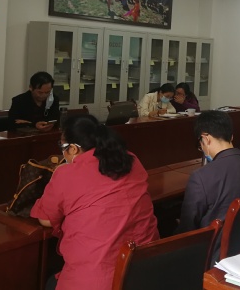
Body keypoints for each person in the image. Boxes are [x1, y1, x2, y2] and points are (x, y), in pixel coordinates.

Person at [31, 115, 158, 290]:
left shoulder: (67, 173)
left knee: (49, 282)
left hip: (98, 278)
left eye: (62, 147)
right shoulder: (131, 159)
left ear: (73, 149)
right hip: (145, 269)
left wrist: (57, 176)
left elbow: (46, 219)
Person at [177, 111, 240, 259]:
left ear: (206, 138)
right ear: (231, 137)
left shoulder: (200, 177)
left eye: (200, 144)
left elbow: (187, 231)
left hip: (214, 256)